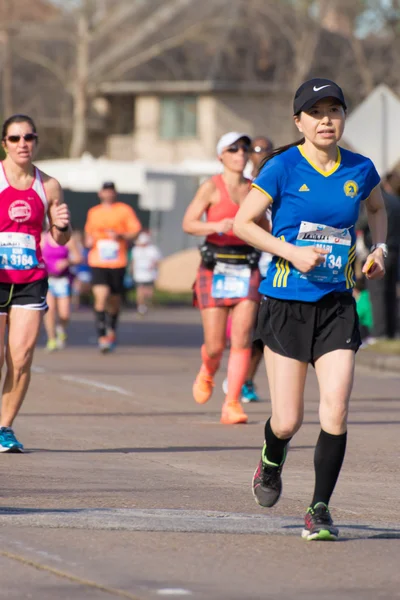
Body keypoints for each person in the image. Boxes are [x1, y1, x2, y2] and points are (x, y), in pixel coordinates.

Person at [234, 78, 387, 540]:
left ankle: (319, 508)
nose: (326, 120)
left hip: (338, 305)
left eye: (334, 110)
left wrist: (379, 250)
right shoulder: (281, 168)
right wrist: (290, 250)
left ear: (343, 118)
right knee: (287, 419)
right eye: (315, 112)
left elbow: (377, 209)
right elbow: (242, 223)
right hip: (286, 303)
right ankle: (270, 458)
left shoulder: (360, 169)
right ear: (298, 121)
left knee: (336, 411)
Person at [182, 131, 268, 425]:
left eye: (244, 149)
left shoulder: (254, 188)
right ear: (221, 155)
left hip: (246, 265)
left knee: (242, 339)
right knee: (216, 344)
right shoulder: (210, 187)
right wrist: (217, 224)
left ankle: (231, 402)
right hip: (215, 266)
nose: (240, 154)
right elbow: (189, 223)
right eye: (233, 149)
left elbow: (266, 227)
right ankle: (207, 371)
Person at [0, 113, 71, 452]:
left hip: (30, 278)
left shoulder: (49, 185)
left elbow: (60, 240)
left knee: (22, 355)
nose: (22, 144)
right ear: (5, 144)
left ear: (36, 141)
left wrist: (60, 225)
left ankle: (4, 428)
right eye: (15, 138)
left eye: (28, 137)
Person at [222, 135, 274, 403]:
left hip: (275, 263)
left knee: (263, 333)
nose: (259, 153)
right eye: (255, 150)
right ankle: (236, 375)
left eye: (266, 149)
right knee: (246, 331)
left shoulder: (281, 176)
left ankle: (246, 379)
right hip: (246, 264)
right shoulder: (243, 185)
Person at [84, 182, 142, 352]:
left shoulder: (124, 210)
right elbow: (89, 233)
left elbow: (135, 231)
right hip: (98, 260)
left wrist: (120, 235)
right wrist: (88, 240)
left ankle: (112, 328)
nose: (108, 194)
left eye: (111, 191)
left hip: (117, 261)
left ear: (115, 193)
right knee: (101, 296)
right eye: (105, 191)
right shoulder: (93, 212)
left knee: (114, 300)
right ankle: (102, 335)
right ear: (100, 193)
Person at [357, 170, 400, 342]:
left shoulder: (379, 201)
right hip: (395, 251)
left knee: (377, 293)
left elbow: (363, 222)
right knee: (390, 293)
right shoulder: (396, 202)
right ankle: (391, 332)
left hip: (379, 251)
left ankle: (379, 334)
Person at [41, 230, 82, 351]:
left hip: (63, 280)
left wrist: (67, 261)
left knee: (65, 314)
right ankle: (51, 339)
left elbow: (79, 258)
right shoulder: (43, 238)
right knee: (50, 310)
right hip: (48, 278)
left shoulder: (68, 239)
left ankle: (61, 328)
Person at [132, 231, 162, 315]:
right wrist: (132, 271)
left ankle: (146, 304)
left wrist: (154, 268)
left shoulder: (152, 249)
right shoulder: (136, 249)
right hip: (139, 274)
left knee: (148, 292)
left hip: (150, 274)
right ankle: (141, 306)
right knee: (140, 290)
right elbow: (133, 261)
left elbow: (157, 260)